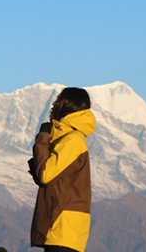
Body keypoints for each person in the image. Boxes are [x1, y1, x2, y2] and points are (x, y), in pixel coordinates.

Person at [29, 87, 94, 252]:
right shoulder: (67, 138)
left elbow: (45, 175)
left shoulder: (73, 140)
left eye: (58, 100)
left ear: (68, 105)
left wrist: (42, 138)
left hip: (62, 228)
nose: (53, 103)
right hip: (60, 228)